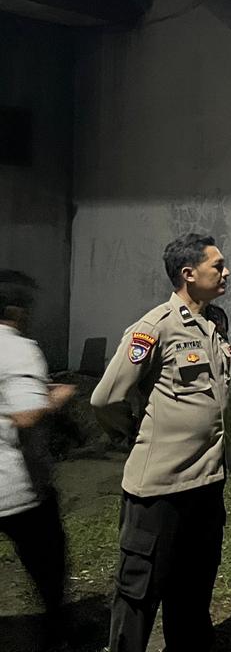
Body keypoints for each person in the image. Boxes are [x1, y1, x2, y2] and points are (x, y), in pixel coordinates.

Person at [90, 234, 231, 652]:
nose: (226, 272)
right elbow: (106, 398)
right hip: (159, 490)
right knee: (138, 593)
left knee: (193, 588)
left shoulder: (212, 324)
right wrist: (131, 433)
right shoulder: (155, 327)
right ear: (188, 274)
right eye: (217, 266)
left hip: (206, 482)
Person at [0, 271, 74, 651]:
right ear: (17, 310)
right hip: (18, 487)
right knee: (49, 566)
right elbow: (27, 415)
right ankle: (54, 634)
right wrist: (56, 397)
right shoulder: (17, 348)